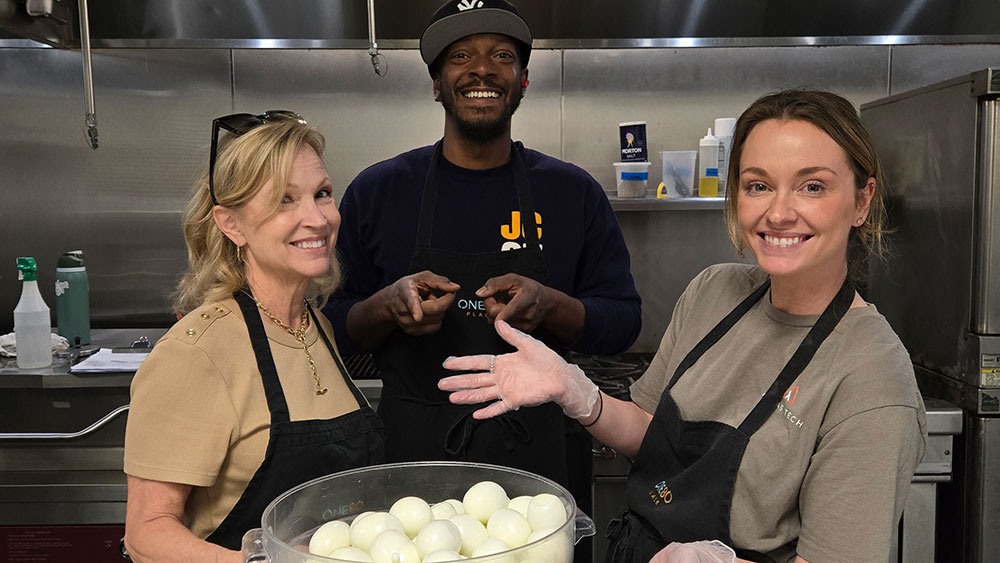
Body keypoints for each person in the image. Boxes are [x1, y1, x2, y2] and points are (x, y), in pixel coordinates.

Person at [439, 89, 928, 563]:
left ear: (862, 201)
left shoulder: (870, 373)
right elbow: (649, 433)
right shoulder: (713, 292)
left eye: (812, 186)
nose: (779, 212)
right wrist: (578, 393)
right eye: (758, 184)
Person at [323, 0, 641, 492]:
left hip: (540, 454)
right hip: (413, 455)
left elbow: (623, 323)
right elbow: (328, 331)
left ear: (523, 81)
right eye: (460, 56)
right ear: (435, 84)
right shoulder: (378, 192)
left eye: (502, 56)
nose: (482, 69)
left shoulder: (572, 193)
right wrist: (387, 307)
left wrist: (551, 305)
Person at [123, 112, 385, 562]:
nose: (317, 218)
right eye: (284, 200)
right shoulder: (197, 351)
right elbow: (146, 533)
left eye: (322, 194)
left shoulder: (315, 327)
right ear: (232, 224)